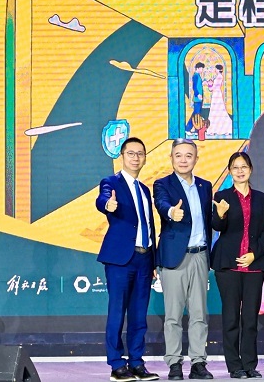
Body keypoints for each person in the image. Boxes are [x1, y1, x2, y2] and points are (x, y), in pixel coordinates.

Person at [95, 137, 160, 381]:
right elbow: (102, 199)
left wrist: (153, 261)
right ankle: (116, 364)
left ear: (145, 158)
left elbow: (149, 225)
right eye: (131, 153)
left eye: (140, 153)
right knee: (117, 312)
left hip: (144, 258)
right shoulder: (111, 182)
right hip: (121, 259)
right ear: (122, 156)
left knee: (138, 315)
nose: (136, 158)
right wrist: (107, 205)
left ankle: (136, 363)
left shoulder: (144, 189)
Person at [154, 138, 214, 380]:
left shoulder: (205, 186)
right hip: (174, 258)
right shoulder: (162, 184)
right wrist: (171, 212)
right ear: (171, 158)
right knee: (173, 316)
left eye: (188, 155)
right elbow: (161, 204)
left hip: (200, 256)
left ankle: (198, 362)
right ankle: (174, 363)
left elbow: (209, 220)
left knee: (199, 314)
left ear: (196, 159)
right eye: (178, 155)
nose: (183, 160)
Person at [211, 152, 264, 379]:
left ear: (250, 169)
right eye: (235, 167)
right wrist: (220, 215)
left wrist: (253, 254)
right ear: (230, 171)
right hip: (228, 265)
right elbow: (218, 227)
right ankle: (234, 366)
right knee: (231, 318)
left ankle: (249, 364)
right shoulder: (222, 196)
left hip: (254, 266)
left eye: (244, 167)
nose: (240, 171)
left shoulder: (261, 198)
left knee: (250, 319)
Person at [206, 64, 233, 137]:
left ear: (218, 69)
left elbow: (212, 88)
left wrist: (209, 84)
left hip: (216, 95)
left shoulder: (219, 77)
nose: (214, 70)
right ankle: (217, 129)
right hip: (217, 94)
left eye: (215, 69)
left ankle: (216, 130)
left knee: (217, 111)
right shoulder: (219, 76)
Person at [186, 62, 205, 134]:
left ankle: (195, 129)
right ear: (197, 68)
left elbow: (198, 85)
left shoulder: (198, 75)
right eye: (201, 68)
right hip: (197, 98)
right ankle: (188, 129)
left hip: (199, 98)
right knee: (196, 115)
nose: (202, 70)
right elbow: (194, 87)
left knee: (196, 114)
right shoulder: (195, 76)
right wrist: (198, 94)